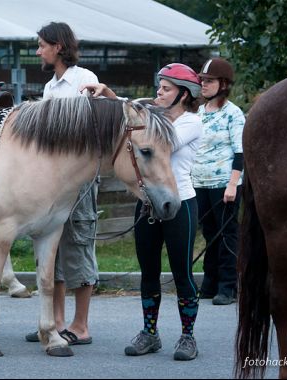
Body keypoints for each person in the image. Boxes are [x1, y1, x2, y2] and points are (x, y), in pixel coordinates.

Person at [82, 62, 204, 361]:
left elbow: (153, 140)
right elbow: (130, 118)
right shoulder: (152, 115)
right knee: (148, 273)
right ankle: (150, 333)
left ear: (184, 95)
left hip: (181, 204)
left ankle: (188, 336)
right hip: (147, 202)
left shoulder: (190, 123)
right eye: (159, 88)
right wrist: (111, 96)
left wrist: (123, 104)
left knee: (182, 273)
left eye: (166, 89)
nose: (159, 93)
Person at [25, 21, 99, 346]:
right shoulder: (49, 88)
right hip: (52, 181)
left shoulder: (85, 79)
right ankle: (55, 321)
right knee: (49, 247)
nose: (38, 51)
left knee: (79, 244)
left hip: (80, 179)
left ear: (57, 46)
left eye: (42, 45)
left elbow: (93, 123)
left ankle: (80, 325)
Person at [192, 57, 245, 306]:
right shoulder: (199, 112)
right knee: (210, 234)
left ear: (223, 84)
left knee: (226, 235)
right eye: (202, 80)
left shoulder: (233, 114)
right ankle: (210, 283)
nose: (203, 85)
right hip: (199, 183)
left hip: (225, 183)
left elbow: (240, 152)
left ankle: (228, 286)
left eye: (209, 81)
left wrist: (233, 184)